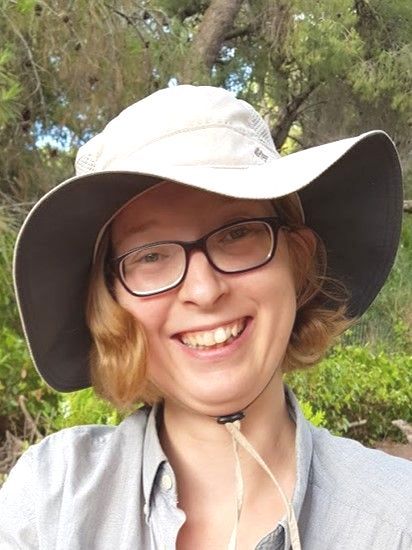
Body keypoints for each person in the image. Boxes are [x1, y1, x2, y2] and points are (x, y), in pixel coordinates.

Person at [0, 85, 411, 550]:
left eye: (237, 233)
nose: (204, 290)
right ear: (112, 301)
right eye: (151, 256)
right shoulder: (49, 506)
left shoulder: (397, 521)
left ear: (297, 263)